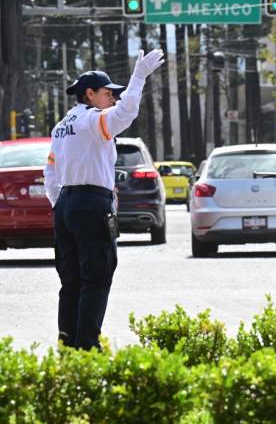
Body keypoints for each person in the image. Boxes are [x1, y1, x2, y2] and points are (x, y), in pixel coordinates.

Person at [43, 49, 164, 349]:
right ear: (90, 94)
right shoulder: (91, 120)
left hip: (66, 203)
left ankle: (67, 342)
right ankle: (87, 346)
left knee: (71, 280)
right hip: (89, 203)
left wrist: (60, 203)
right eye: (108, 93)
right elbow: (126, 114)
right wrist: (138, 77)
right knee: (97, 277)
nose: (112, 98)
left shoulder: (62, 126)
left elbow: (50, 171)